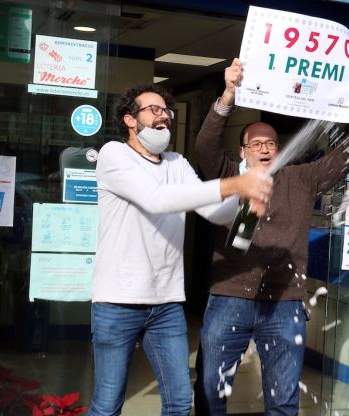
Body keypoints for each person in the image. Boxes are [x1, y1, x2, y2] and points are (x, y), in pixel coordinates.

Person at [193, 59, 349, 415]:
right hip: (229, 297)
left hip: (285, 302)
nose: (264, 148)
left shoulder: (300, 179)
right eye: (255, 143)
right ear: (242, 152)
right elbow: (205, 147)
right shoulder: (228, 176)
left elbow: (346, 156)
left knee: (284, 400)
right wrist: (228, 94)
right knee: (210, 394)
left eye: (271, 143)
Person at [89, 84, 273, 416]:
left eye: (166, 111)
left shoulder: (176, 162)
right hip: (117, 302)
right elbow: (157, 199)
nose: (163, 117)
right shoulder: (113, 155)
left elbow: (212, 211)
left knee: (178, 403)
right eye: (153, 110)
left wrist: (247, 204)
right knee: (107, 405)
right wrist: (234, 184)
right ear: (130, 119)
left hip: (166, 305)